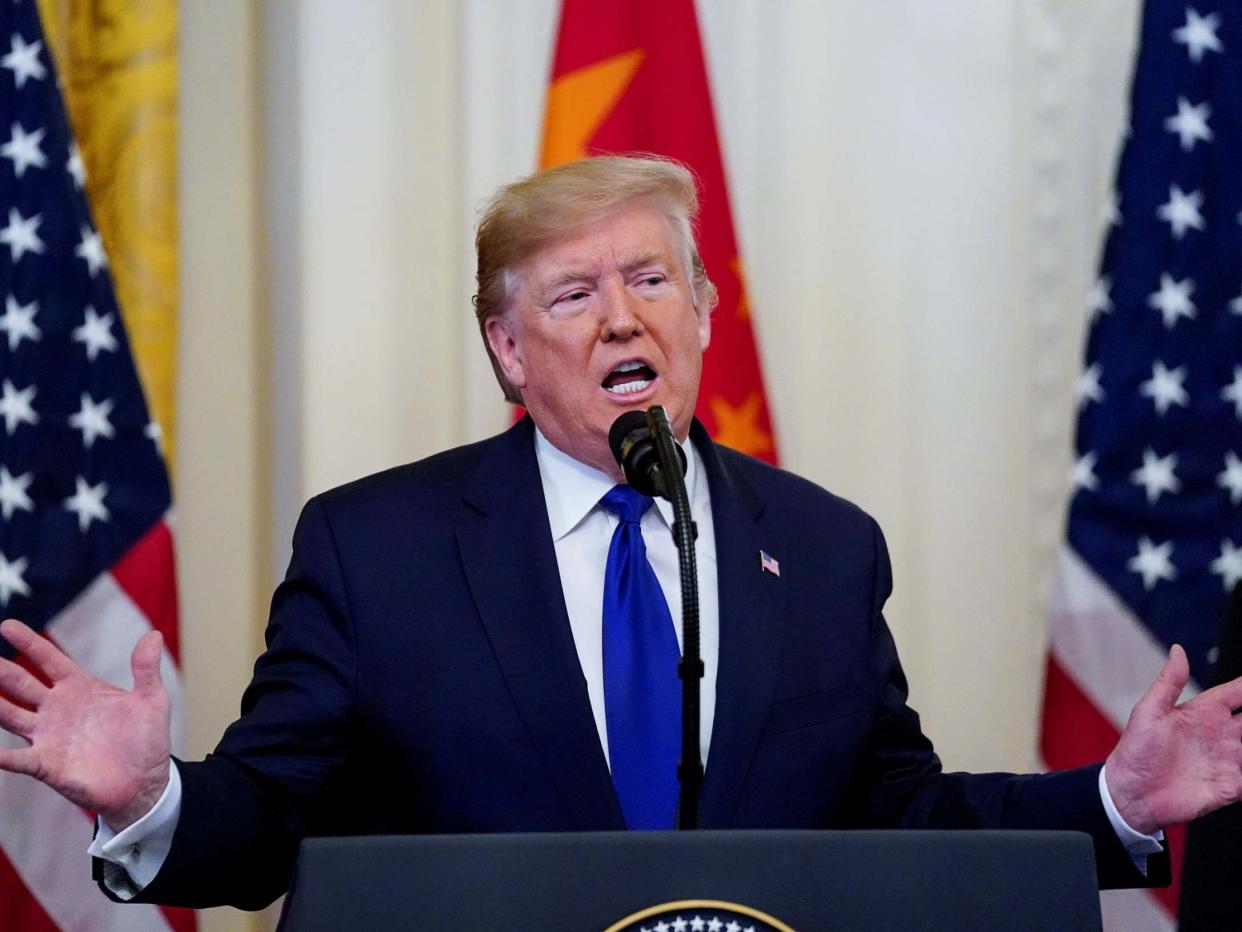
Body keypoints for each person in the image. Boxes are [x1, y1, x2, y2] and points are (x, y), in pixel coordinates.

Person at [1, 156, 1240, 910]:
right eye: (572, 294)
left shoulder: (819, 545)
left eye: (651, 280)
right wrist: (154, 796)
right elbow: (271, 817)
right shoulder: (375, 547)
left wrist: (1112, 801)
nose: (619, 317)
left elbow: (893, 815)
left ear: (702, 312)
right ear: (506, 348)